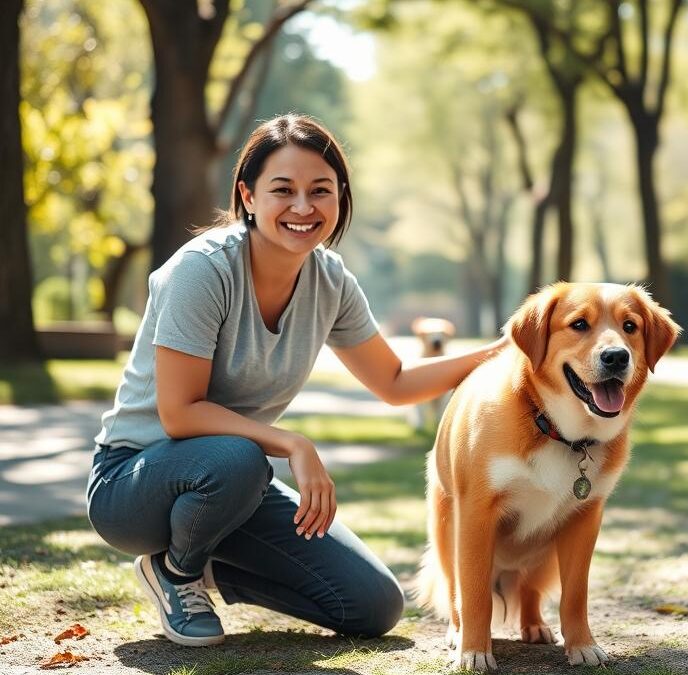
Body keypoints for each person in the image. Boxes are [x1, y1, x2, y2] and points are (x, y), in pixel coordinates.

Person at [86, 114, 508, 647]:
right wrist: (293, 443)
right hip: (133, 483)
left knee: (374, 604)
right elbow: (180, 412)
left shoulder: (330, 280)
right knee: (239, 458)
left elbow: (395, 381)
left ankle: (210, 566)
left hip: (231, 486)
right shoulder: (203, 270)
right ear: (248, 195)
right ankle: (176, 572)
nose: (304, 207)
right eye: (283, 190)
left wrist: (500, 353)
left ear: (340, 197)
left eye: (321, 191)